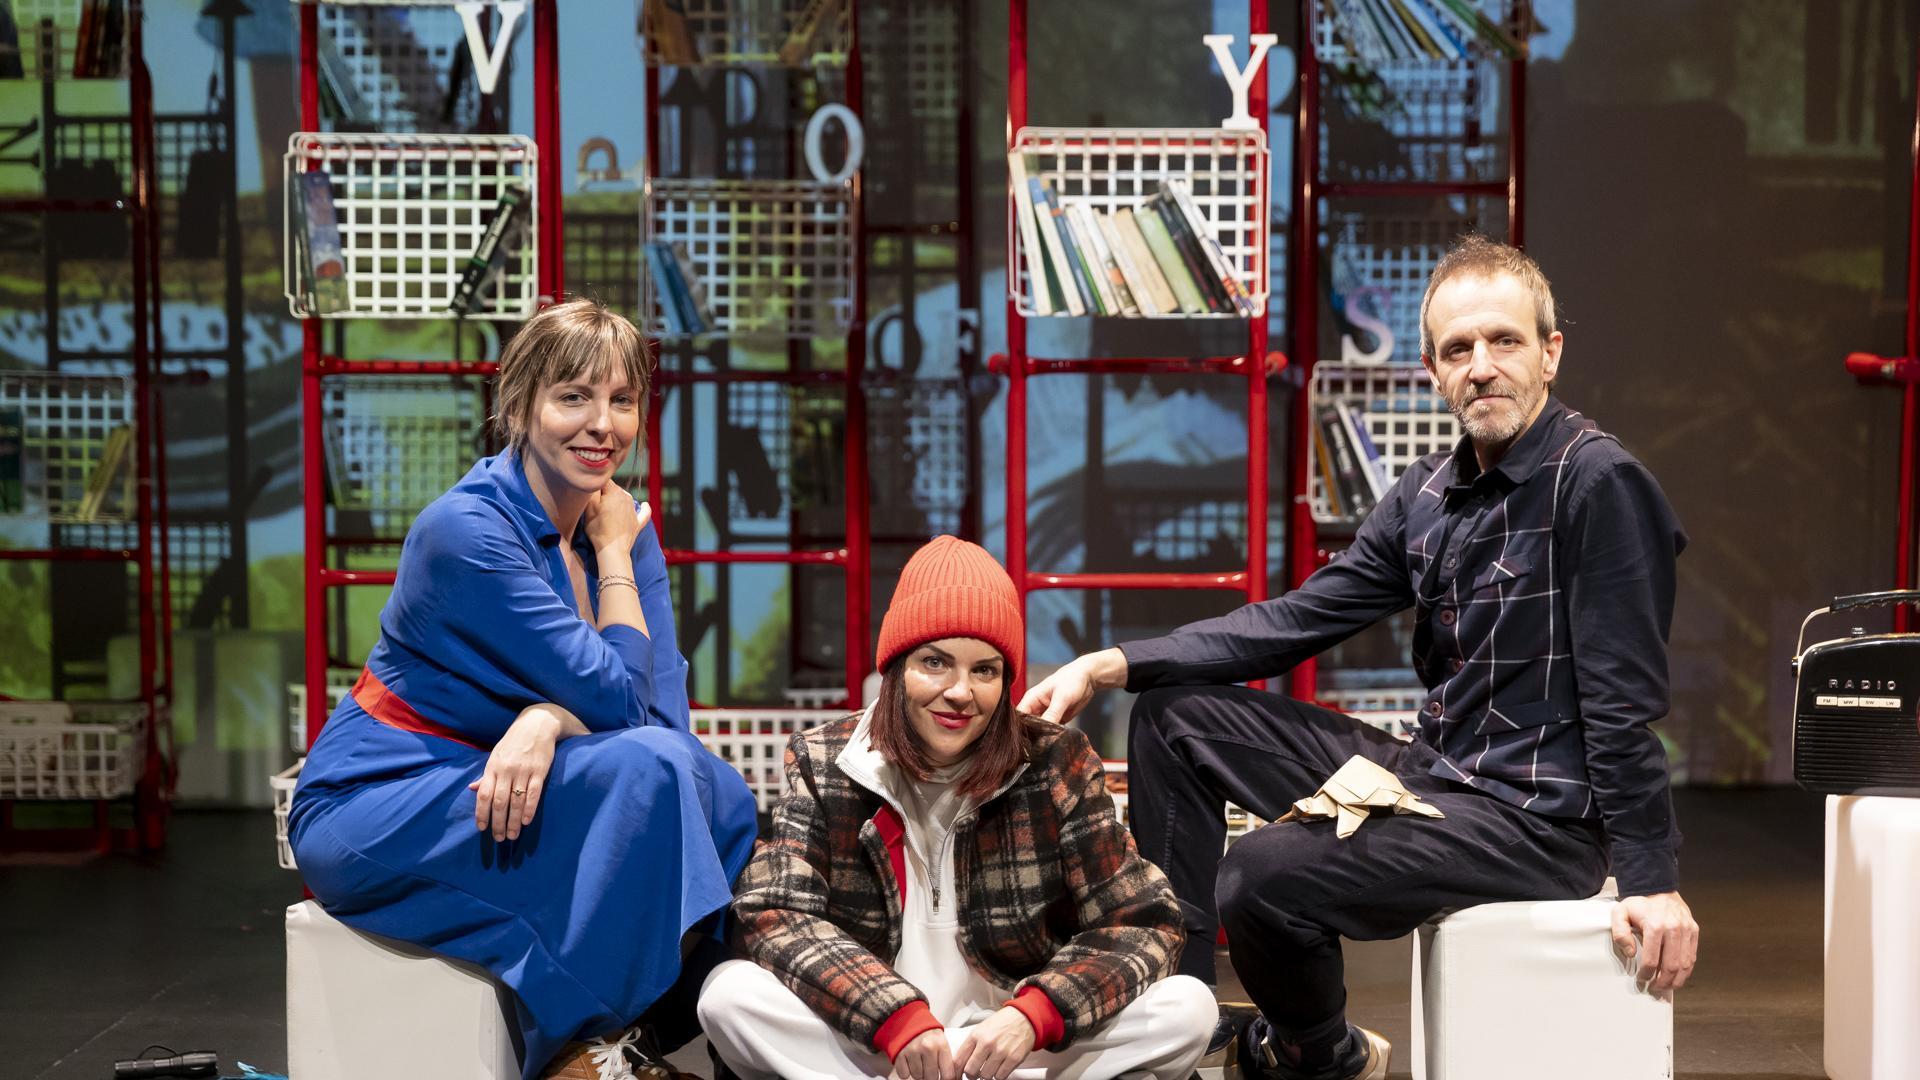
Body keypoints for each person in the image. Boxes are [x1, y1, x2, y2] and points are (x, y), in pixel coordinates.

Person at [1019, 236, 1702, 1080]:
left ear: (1551, 353)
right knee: (1174, 716)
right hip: (1437, 774)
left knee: (1260, 874)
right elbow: (1294, 620)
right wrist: (1111, 662)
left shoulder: (1596, 483)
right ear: (1432, 370)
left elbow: (1622, 699)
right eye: (1459, 350)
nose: (1482, 366)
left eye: (1505, 341)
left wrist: (1649, 876)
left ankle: (1318, 1053)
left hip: (1537, 822)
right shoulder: (1426, 493)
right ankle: (1178, 1010)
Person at [288, 298, 757, 1080]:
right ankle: (581, 1048)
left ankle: (640, 1032)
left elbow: (658, 717)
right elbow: (616, 708)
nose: (600, 425)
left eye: (621, 400)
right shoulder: (466, 533)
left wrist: (544, 719)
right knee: (652, 770)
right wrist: (610, 569)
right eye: (572, 397)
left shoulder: (621, 534)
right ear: (519, 406)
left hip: (508, 780)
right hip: (380, 798)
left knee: (722, 792)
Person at [699, 536, 1217, 1080]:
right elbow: (774, 912)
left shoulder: (1055, 760)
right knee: (728, 995)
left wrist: (1036, 1013)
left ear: (1005, 679)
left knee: (1187, 1006)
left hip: (1008, 1045)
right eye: (935, 663)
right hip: (880, 1040)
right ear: (897, 667)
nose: (960, 692)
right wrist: (894, 1016)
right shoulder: (826, 760)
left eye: (985, 670)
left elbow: (1143, 922)